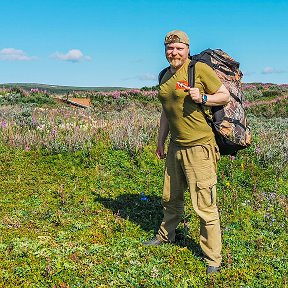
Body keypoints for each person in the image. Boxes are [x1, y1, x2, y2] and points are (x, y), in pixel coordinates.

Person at [143, 30, 230, 275]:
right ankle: (165, 236)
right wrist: (161, 141)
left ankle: (213, 258)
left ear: (187, 49)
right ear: (165, 51)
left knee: (205, 205)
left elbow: (223, 95)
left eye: (179, 48)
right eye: (170, 48)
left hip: (199, 147)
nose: (174, 52)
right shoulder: (163, 75)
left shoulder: (198, 70)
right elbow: (166, 112)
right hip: (176, 147)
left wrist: (203, 97)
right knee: (170, 197)